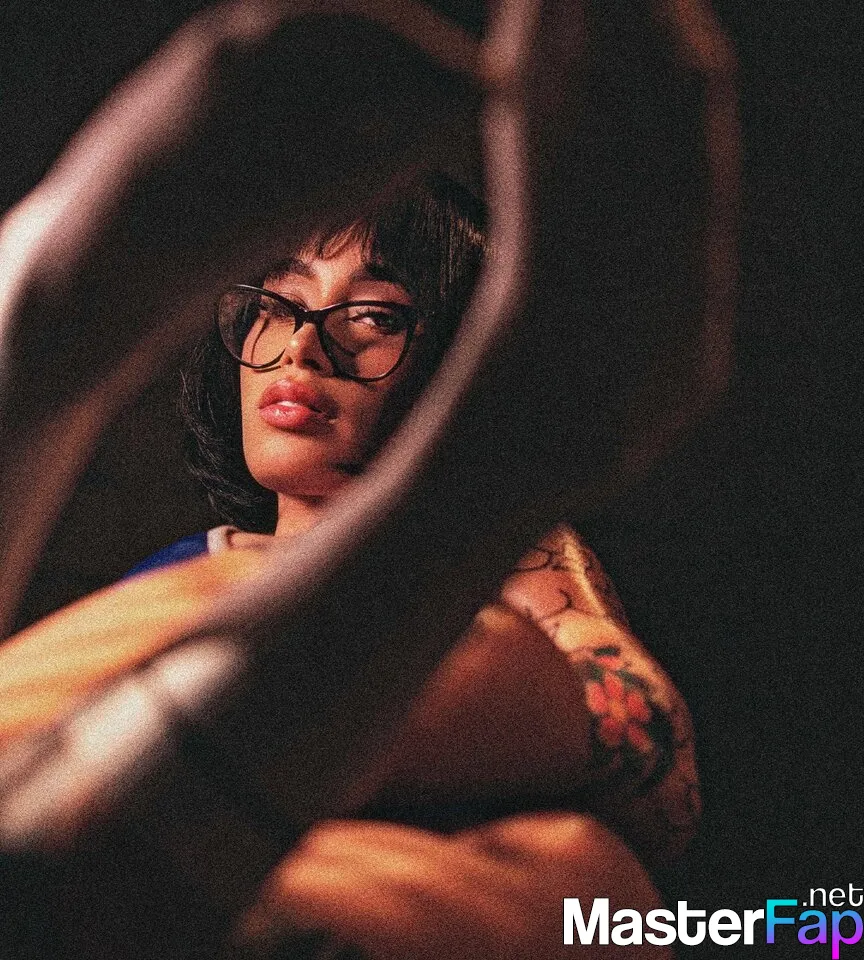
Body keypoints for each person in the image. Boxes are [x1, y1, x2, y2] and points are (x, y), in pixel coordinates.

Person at [123, 173, 699, 959]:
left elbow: (662, 779)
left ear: (465, 362)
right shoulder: (166, 582)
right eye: (278, 304)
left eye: (374, 315)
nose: (302, 346)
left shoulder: (500, 562)